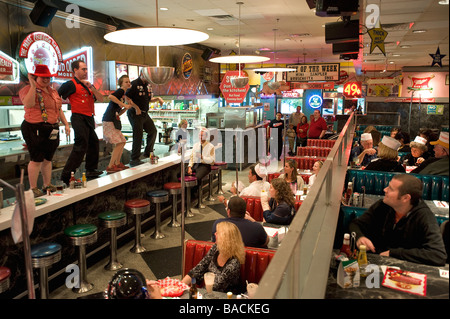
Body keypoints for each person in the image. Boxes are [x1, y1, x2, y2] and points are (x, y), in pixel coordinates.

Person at [349, 174, 447, 266]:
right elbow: (355, 224)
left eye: (390, 189)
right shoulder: (382, 206)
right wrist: (360, 237)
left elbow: (438, 255)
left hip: (405, 272)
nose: (385, 189)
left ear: (405, 198)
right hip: (374, 265)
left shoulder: (424, 217)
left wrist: (394, 253)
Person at [19, 65, 70, 197]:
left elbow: (58, 110)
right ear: (36, 77)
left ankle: (47, 184)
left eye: (48, 77)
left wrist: (66, 124)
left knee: (48, 158)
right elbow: (28, 104)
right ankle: (33, 187)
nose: (46, 79)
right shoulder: (27, 89)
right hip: (34, 127)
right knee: (36, 158)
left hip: (52, 127)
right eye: (43, 77)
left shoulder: (53, 91)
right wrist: (32, 85)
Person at [58, 60, 104, 185]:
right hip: (78, 117)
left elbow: (101, 98)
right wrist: (57, 111)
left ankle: (90, 169)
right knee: (81, 144)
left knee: (94, 142)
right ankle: (67, 175)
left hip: (89, 117)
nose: (86, 71)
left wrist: (92, 87)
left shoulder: (88, 86)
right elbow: (57, 95)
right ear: (75, 70)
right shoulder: (70, 84)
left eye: (86, 69)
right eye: (83, 69)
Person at [182, 221, 245, 294]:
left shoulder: (233, 264)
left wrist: (195, 293)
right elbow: (199, 268)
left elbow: (216, 287)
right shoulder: (216, 248)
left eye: (217, 233)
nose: (214, 233)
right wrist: (181, 285)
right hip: (208, 292)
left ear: (224, 239)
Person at [125, 69, 164, 166]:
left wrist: (158, 99)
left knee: (153, 131)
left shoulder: (148, 86)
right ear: (142, 74)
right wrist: (136, 107)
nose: (149, 78)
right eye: (148, 76)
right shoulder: (134, 84)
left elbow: (148, 99)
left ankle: (148, 152)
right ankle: (134, 159)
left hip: (144, 114)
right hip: (135, 113)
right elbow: (126, 98)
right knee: (138, 135)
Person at [102, 75, 135, 173]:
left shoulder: (122, 95)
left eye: (129, 82)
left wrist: (127, 107)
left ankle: (117, 163)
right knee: (120, 142)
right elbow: (110, 96)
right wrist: (124, 104)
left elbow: (119, 112)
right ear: (121, 83)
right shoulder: (120, 91)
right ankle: (111, 166)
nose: (128, 83)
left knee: (123, 141)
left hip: (113, 119)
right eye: (126, 82)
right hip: (109, 120)